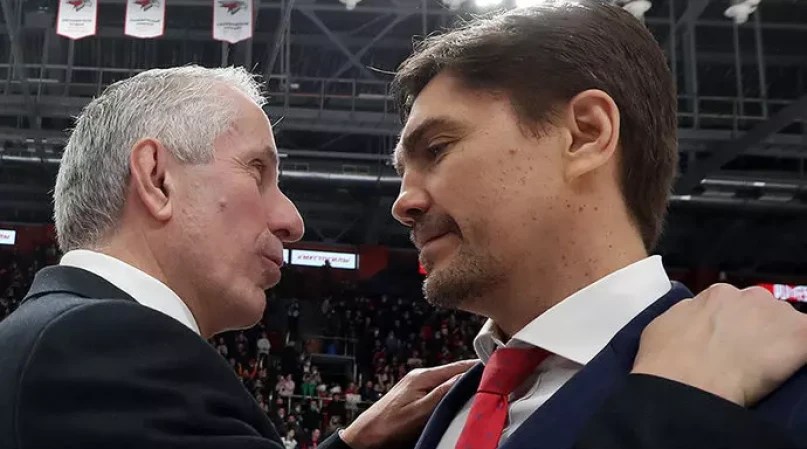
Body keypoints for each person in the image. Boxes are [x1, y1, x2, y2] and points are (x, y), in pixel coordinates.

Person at [0, 66, 802, 449]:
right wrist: (671, 411)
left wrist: (348, 447)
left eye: (439, 148)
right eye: (258, 171)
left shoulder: (66, 340)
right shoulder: (98, 347)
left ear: (585, 135)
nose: (291, 217)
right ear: (155, 177)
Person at [387, 2, 807, 449]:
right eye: (402, 173)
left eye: (437, 149)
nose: (402, 204)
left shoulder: (789, 396)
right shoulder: (432, 417)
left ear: (586, 133)